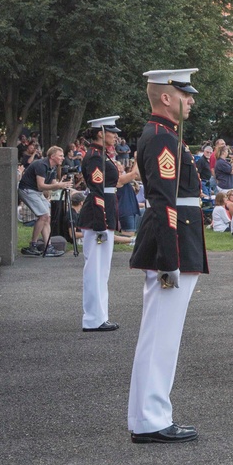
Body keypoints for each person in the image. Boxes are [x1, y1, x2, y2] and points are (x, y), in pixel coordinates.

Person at [128, 68, 208, 444]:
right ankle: (152, 419)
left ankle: (148, 416)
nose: (190, 100)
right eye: (185, 94)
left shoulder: (166, 135)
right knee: (161, 337)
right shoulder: (162, 138)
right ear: (166, 97)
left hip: (176, 241)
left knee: (158, 336)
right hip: (173, 244)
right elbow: (163, 202)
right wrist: (170, 259)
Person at [78, 116, 128, 332]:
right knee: (96, 270)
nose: (116, 136)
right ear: (100, 132)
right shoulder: (96, 157)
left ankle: (99, 316)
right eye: (112, 132)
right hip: (98, 215)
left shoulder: (101, 155)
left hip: (103, 212)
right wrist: (101, 224)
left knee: (101, 269)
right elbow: (98, 191)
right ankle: (93, 319)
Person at [17, 145, 73, 257]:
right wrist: (58, 185)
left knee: (47, 217)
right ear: (52, 156)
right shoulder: (41, 165)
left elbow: (52, 184)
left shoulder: (52, 167)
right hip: (28, 190)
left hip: (36, 191)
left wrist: (62, 184)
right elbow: (41, 186)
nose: (63, 158)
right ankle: (33, 244)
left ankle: (48, 247)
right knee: (43, 216)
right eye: (60, 156)